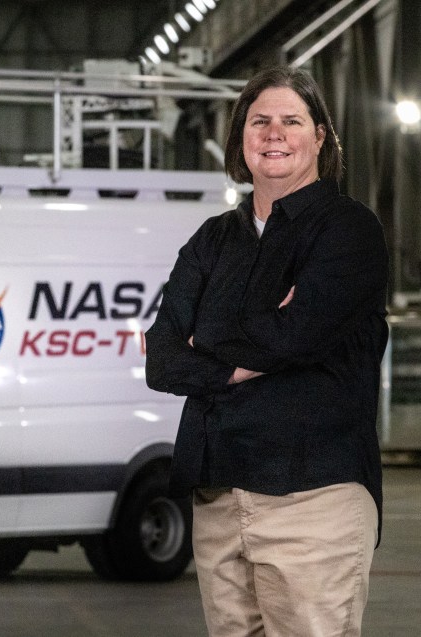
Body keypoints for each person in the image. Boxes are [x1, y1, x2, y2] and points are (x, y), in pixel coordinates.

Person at [145, 65, 388, 637]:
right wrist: (260, 343)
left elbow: (297, 335)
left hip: (313, 495)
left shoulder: (348, 231)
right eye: (260, 121)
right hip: (218, 494)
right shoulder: (212, 239)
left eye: (291, 120)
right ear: (241, 139)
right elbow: (161, 358)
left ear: (320, 137)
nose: (274, 132)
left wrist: (208, 340)